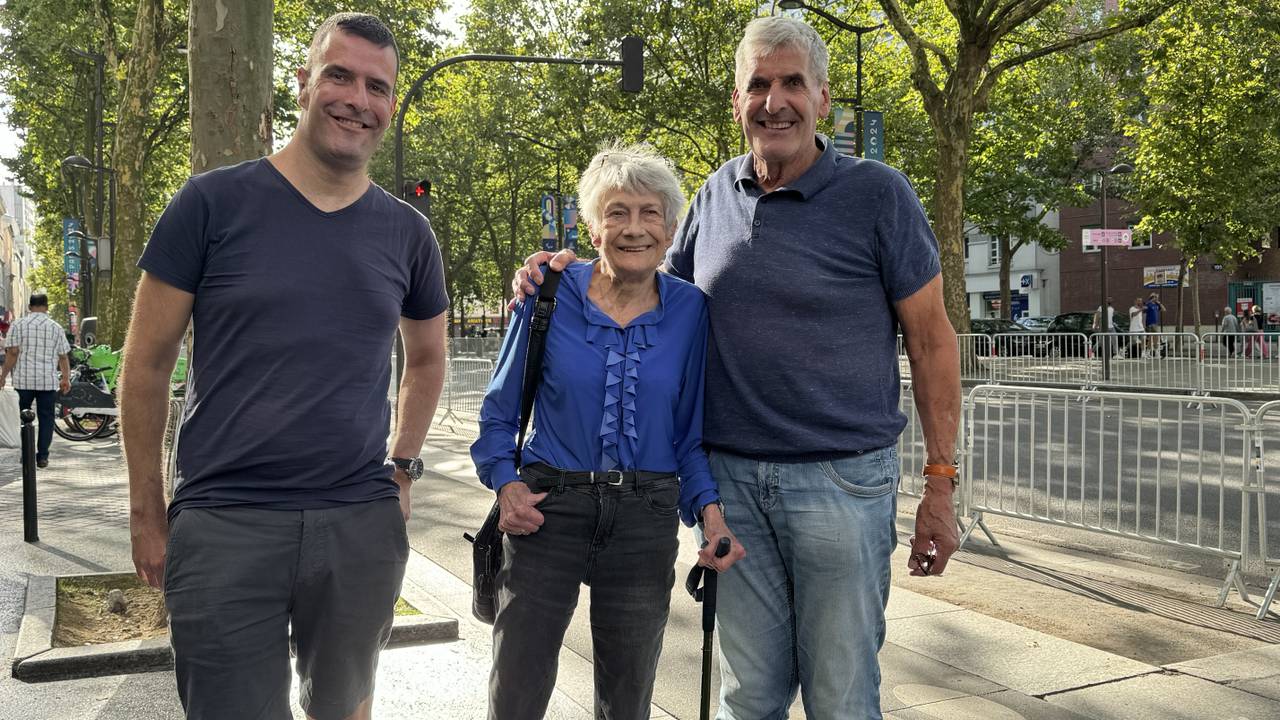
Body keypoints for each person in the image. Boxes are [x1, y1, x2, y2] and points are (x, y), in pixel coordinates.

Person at [514, 16, 960, 719]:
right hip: (733, 488)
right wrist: (563, 272)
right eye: (758, 84)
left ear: (823, 98)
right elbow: (649, 294)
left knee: (842, 695)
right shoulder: (714, 196)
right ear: (736, 101)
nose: (773, 100)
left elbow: (934, 342)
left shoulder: (880, 195)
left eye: (791, 83)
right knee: (747, 696)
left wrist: (940, 484)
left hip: (841, 484)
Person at [119, 13, 448, 720]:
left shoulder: (408, 233)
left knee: (346, 710)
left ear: (390, 105)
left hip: (357, 522)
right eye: (339, 75)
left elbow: (426, 357)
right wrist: (148, 512)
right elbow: (145, 364)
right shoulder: (209, 204)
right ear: (302, 83)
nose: (357, 98)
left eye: (377, 86)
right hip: (225, 523)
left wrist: (404, 468)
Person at [472, 144, 745, 720]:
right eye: (616, 212)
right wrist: (506, 485)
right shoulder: (548, 293)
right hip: (549, 508)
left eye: (650, 214)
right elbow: (499, 410)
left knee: (628, 697)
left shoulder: (692, 309)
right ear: (592, 228)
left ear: (671, 231)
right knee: (517, 686)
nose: (634, 228)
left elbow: (688, 435)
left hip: (645, 518)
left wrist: (711, 516)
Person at [0, 293, 71, 468]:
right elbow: (63, 356)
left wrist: (3, 376)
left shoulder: (18, 325)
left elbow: (13, 353)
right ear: (46, 307)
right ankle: (43, 456)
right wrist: (66, 378)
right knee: (46, 418)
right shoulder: (56, 327)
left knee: (25, 417)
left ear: (30, 307)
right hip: (47, 381)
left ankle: (26, 455)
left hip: (23, 381)